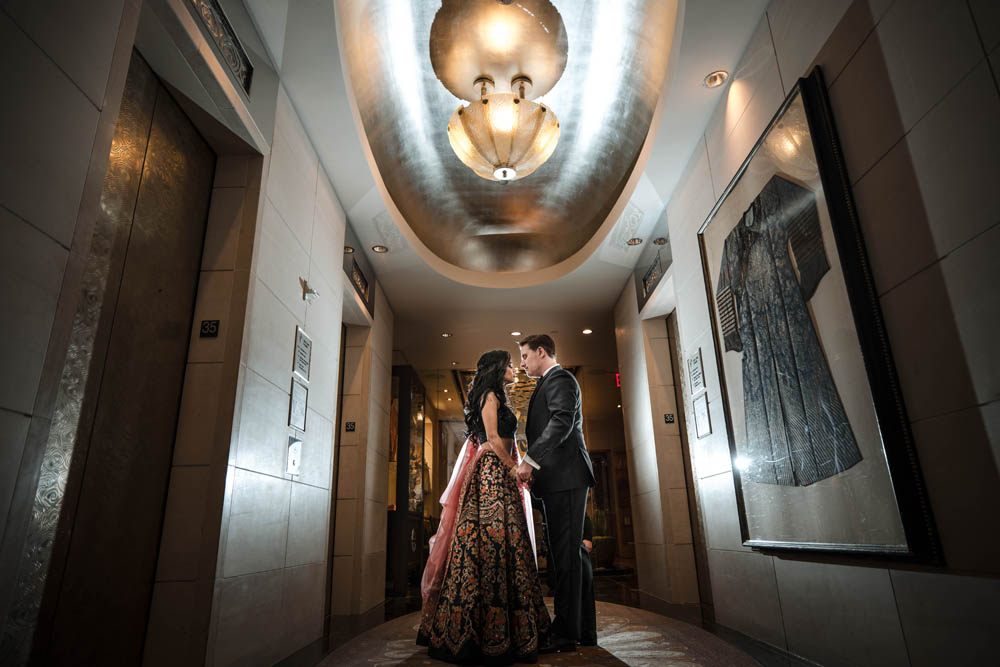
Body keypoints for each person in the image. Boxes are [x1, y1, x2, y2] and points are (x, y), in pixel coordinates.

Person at [417, 350, 551, 664]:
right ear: (496, 369)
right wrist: (514, 470)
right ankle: (481, 632)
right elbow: (491, 438)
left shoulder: (497, 397)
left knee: (506, 543)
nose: (514, 369)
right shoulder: (489, 397)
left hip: (499, 472)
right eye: (508, 365)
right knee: (491, 543)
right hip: (492, 472)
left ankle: (510, 627)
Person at [516, 334, 595, 653]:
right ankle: (583, 630)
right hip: (559, 479)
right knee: (570, 555)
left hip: (567, 478)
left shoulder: (560, 379)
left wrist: (530, 461)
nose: (521, 363)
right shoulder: (548, 383)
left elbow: (561, 423)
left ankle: (565, 634)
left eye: (524, 356)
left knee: (566, 558)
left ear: (540, 351)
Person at [580, 514, 597, 647]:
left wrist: (587, 537)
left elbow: (582, 513)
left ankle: (588, 635)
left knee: (584, 588)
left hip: (579, 546)